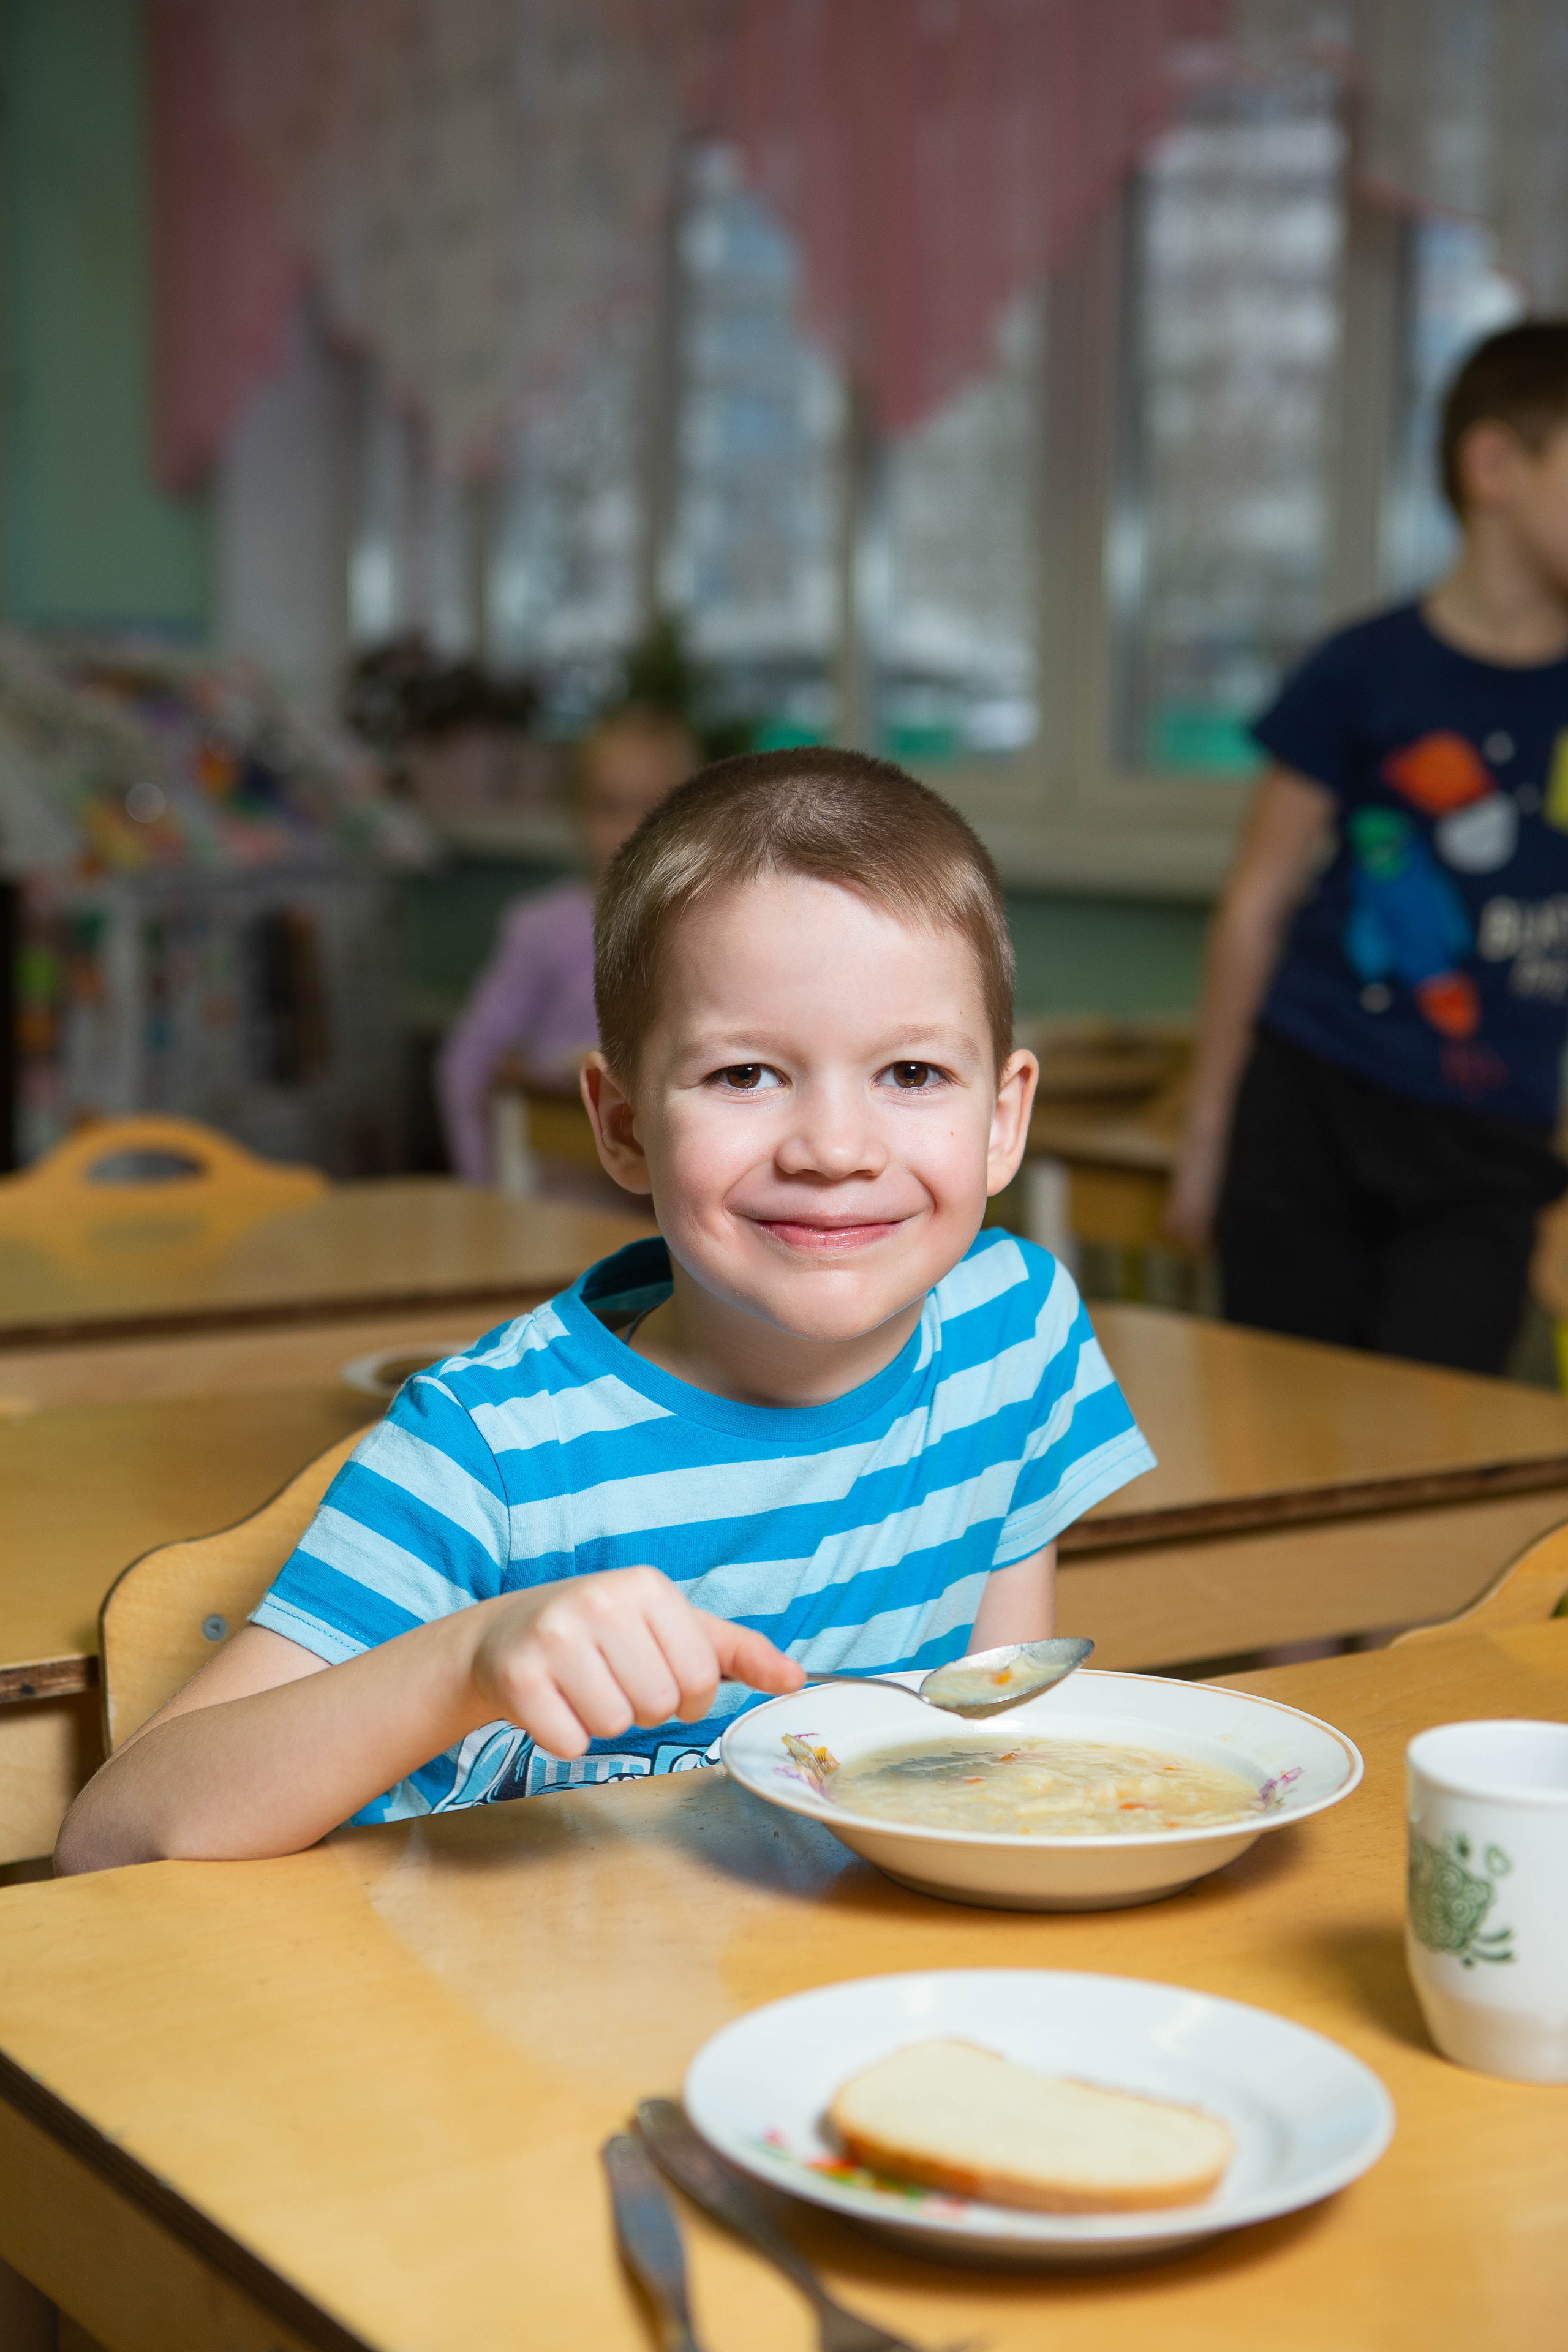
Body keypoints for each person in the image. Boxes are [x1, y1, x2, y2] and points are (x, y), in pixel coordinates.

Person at [56, 750, 1153, 1870]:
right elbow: (112, 1840)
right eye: (744, 1075)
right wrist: (466, 1662)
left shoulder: (1014, 1330)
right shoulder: (491, 1449)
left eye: (912, 1074)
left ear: (1003, 1120)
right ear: (622, 1126)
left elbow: (988, 1733)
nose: (835, 1149)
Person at [1167, 322, 1568, 1373]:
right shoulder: (1363, 668)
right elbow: (1255, 905)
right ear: (1495, 467)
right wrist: (1208, 1134)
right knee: (1280, 1418)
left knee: (1441, 1431)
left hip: (1491, 1146)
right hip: (1313, 1110)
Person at [437, 704, 698, 1183]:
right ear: (577, 816)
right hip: (561, 1183)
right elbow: (469, 1061)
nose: (633, 828)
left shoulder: (712, 929)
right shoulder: (540, 928)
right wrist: (483, 1186)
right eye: (609, 806)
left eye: (653, 807)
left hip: (672, 1189)